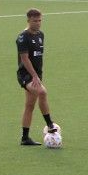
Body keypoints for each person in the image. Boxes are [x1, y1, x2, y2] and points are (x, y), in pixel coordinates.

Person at [16, 8, 59, 145]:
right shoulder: (23, 37)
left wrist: (38, 75)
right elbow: (25, 58)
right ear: (28, 20)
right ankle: (50, 124)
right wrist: (34, 76)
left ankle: (25, 138)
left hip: (37, 75)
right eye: (35, 21)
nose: (38, 23)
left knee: (29, 105)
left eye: (40, 20)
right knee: (42, 92)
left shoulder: (41, 35)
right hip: (26, 75)